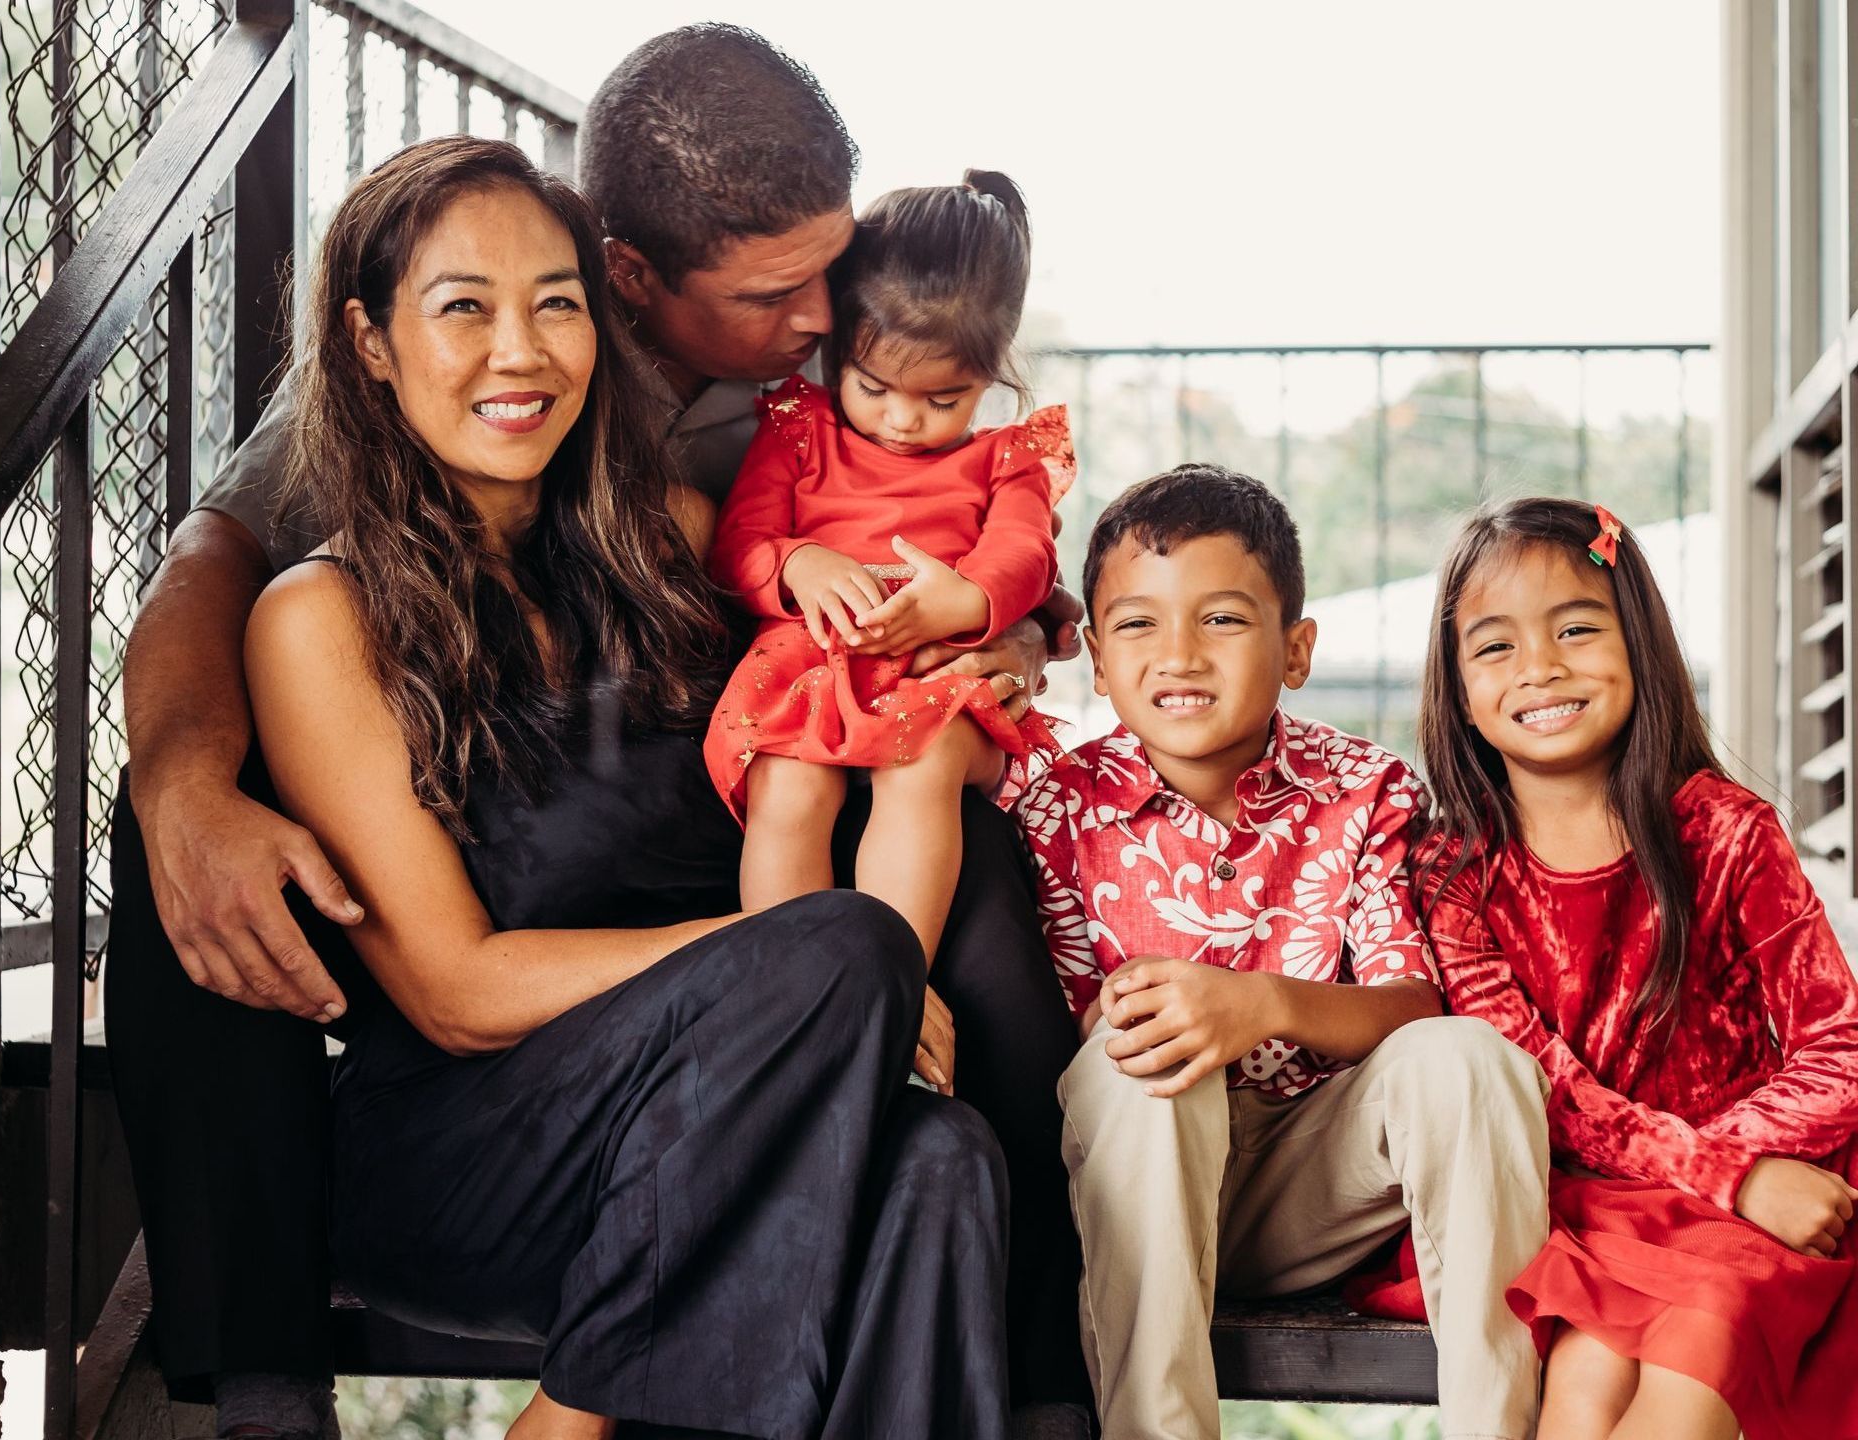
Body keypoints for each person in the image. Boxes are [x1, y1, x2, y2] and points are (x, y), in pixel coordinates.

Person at [106, 24, 1087, 1438]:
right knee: (849, 947)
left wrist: (989, 643)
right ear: (374, 343)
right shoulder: (322, 609)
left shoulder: (682, 527)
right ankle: (550, 1418)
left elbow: (886, 645)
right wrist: (796, 971)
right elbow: (452, 986)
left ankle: (1027, 1387)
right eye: (464, 310)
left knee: (939, 1158)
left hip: (690, 1082)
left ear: (592, 309)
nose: (829, 314)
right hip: (473, 1124)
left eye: (548, 307)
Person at [1015, 463, 1552, 1440]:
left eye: (1220, 619)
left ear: (1295, 648)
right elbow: (1061, 1040)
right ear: (1095, 660)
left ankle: (1501, 1424)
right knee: (1144, 1060)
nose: (1178, 654)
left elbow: (1410, 1003)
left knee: (1470, 1059)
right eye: (1138, 625)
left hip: (1315, 1183)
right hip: (1137, 1188)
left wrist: (1259, 1003)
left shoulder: (1365, 787)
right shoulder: (1055, 805)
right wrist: (1179, 1023)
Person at [1413, 497, 1858, 1440]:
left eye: (1576, 628)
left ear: (1639, 644)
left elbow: (1840, 1043)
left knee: (1691, 1371)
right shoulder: (1454, 872)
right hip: (1587, 1203)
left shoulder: (1723, 830)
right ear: (1454, 687)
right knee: (1583, 1382)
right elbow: (1546, 1093)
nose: (1541, 667)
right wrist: (1724, 1177)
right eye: (1495, 647)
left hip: (1746, 1198)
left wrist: (1732, 1176)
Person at [704, 170, 1070, 1061]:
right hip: (810, 666)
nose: (905, 421)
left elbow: (1027, 556)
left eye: (944, 400)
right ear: (839, 350)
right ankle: (795, 993)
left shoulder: (1007, 459)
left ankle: (895, 981)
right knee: (789, 783)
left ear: (989, 376)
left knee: (925, 762)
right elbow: (738, 543)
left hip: (929, 681)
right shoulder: (799, 429)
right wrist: (800, 561)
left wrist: (971, 600)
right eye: (875, 387)